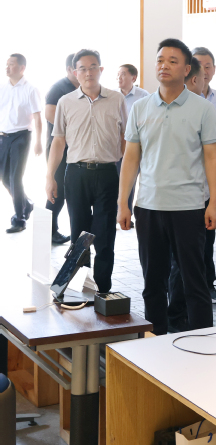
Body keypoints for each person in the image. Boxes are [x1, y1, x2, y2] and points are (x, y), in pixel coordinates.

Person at [118, 39, 216, 335]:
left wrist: (214, 203)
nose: (164, 65)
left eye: (173, 61)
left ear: (187, 69)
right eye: (160, 60)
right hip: (148, 206)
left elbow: (212, 159)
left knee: (194, 282)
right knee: (153, 283)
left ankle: (203, 342)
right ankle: (155, 341)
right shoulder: (140, 108)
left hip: (189, 207)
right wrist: (123, 203)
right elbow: (131, 158)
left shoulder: (203, 108)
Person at [46, 49, 127, 293]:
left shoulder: (116, 99)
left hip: (107, 174)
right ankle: (79, 289)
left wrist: (122, 166)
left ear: (101, 70)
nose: (88, 72)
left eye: (93, 67)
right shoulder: (66, 101)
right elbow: (58, 141)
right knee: (79, 236)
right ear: (75, 72)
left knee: (105, 235)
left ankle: (103, 291)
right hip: (76, 174)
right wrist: (50, 176)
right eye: (82, 68)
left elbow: (126, 137)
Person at [166, 57, 205, 333]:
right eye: (203, 75)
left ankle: (190, 319)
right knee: (182, 263)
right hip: (179, 199)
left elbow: (213, 157)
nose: (205, 80)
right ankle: (176, 316)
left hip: (199, 197)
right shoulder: (180, 110)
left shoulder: (205, 107)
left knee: (193, 262)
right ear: (192, 77)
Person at [192, 47, 216, 304]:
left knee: (208, 232)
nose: (204, 70)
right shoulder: (184, 99)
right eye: (199, 65)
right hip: (188, 179)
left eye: (208, 66)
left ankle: (208, 285)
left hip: (211, 175)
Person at [0, 54, 43, 234]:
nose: (7, 67)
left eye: (11, 64)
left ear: (22, 68)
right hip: (3, 137)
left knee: (15, 178)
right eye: (7, 64)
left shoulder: (30, 89)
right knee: (4, 177)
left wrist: (38, 141)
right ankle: (27, 204)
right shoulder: (3, 88)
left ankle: (20, 218)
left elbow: (38, 117)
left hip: (22, 137)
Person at [44, 53, 78, 244]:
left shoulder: (82, 88)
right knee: (57, 190)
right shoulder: (59, 88)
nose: (82, 72)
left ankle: (52, 230)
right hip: (58, 148)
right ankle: (49, 230)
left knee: (67, 190)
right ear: (69, 70)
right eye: (78, 68)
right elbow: (50, 114)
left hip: (75, 149)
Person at [116, 64, 149, 223]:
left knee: (131, 180)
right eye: (118, 74)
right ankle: (116, 214)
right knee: (117, 180)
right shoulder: (112, 96)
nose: (119, 77)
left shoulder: (144, 96)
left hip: (136, 146)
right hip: (116, 146)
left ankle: (127, 214)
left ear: (133, 78)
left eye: (123, 74)